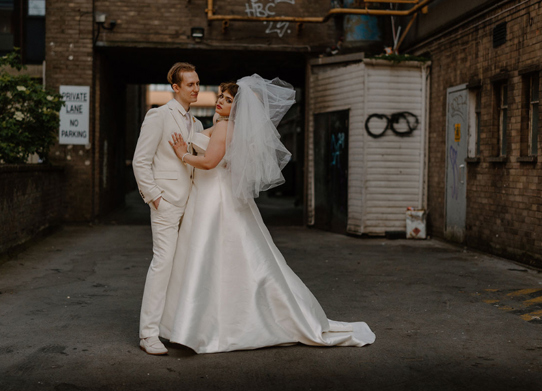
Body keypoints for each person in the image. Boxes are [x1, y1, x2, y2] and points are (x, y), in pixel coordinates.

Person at [160, 75, 376, 354]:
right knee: (226, 257)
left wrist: (182, 154)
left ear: (236, 108)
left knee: (208, 256)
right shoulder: (227, 126)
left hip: (215, 199)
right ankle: (205, 322)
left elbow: (209, 162)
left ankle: (201, 326)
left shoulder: (225, 128)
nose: (220, 103)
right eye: (221, 98)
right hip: (214, 195)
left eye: (227, 100)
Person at [132, 62, 204, 355]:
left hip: (191, 203)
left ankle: (172, 326)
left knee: (183, 266)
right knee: (162, 265)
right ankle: (148, 334)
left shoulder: (197, 124)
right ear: (176, 88)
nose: (197, 88)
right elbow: (141, 160)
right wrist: (155, 197)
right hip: (166, 202)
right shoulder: (158, 116)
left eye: (198, 83)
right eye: (191, 84)